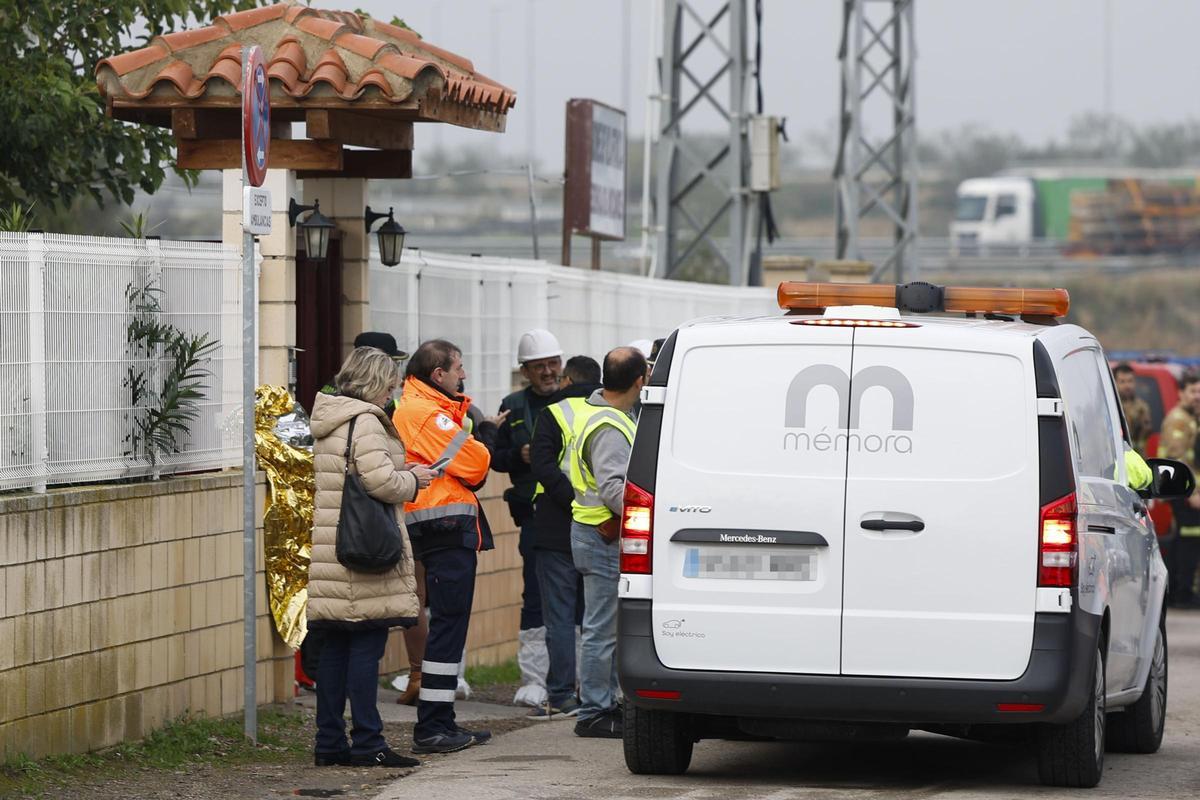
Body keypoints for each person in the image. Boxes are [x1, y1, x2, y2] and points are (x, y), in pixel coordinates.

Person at [308, 346, 436, 768]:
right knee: (365, 647)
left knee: (335, 651)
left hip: (334, 549)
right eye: (389, 384)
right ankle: (368, 741)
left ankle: (329, 742)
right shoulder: (364, 421)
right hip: (365, 552)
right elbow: (380, 481)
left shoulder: (330, 416)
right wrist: (414, 479)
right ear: (373, 383)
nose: (393, 392)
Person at [393, 339, 505, 753]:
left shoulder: (425, 408)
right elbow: (477, 464)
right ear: (437, 374)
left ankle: (440, 722)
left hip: (441, 527)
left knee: (447, 626)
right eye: (458, 367)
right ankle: (434, 727)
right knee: (447, 626)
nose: (464, 375)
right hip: (442, 528)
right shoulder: (425, 412)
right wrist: (481, 440)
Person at [568, 347, 647, 738]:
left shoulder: (610, 416)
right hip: (600, 536)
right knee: (600, 629)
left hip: (597, 534)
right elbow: (614, 489)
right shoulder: (610, 427)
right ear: (639, 381)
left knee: (605, 626)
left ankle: (603, 700)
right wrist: (654, 507)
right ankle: (593, 712)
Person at [490, 329, 564, 705]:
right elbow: (493, 457)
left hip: (574, 513)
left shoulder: (575, 401)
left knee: (578, 596)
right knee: (534, 592)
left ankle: (573, 678)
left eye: (553, 363)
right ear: (525, 371)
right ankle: (534, 679)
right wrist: (516, 455)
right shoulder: (513, 405)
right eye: (540, 366)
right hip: (533, 517)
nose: (548, 372)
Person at [527, 355, 603, 719]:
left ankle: (561, 694)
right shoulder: (616, 415)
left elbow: (540, 465)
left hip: (557, 526)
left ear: (568, 379)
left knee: (558, 617)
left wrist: (571, 499)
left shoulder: (554, 413)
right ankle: (598, 694)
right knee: (597, 617)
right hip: (603, 526)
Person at [1159, 370, 1200, 607]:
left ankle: (1181, 592)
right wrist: (1193, 493)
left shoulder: (1190, 417)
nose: (1197, 396)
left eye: (1199, 392)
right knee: (1187, 542)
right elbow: (1179, 458)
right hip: (1181, 490)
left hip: (1184, 490)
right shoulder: (1178, 420)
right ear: (1182, 393)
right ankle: (1182, 594)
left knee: (1184, 542)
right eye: (1193, 391)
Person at [1114, 363, 1152, 454]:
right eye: (1122, 382)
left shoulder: (1142, 407)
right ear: (1115, 383)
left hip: (1138, 458)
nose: (1127, 386)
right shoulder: (1112, 408)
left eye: (1130, 381)